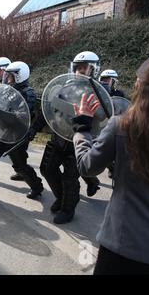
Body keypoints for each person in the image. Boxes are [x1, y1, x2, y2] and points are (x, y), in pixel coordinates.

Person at [72, 54, 149, 275]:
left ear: (140, 85)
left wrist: (82, 129)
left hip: (122, 245)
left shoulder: (122, 126)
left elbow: (87, 166)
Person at [40, 51, 101, 225]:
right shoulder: (64, 86)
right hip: (58, 136)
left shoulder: (98, 91)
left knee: (69, 178)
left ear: (93, 70)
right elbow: (52, 110)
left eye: (85, 68)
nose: (80, 71)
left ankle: (68, 208)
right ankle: (61, 197)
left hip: (78, 139)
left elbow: (102, 118)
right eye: (78, 68)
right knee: (47, 169)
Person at [0, 61, 45, 201]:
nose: (7, 79)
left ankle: (37, 186)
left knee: (20, 166)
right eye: (7, 76)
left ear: (19, 76)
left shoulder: (28, 93)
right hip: (1, 130)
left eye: (10, 76)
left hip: (16, 135)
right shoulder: (6, 90)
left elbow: (21, 117)